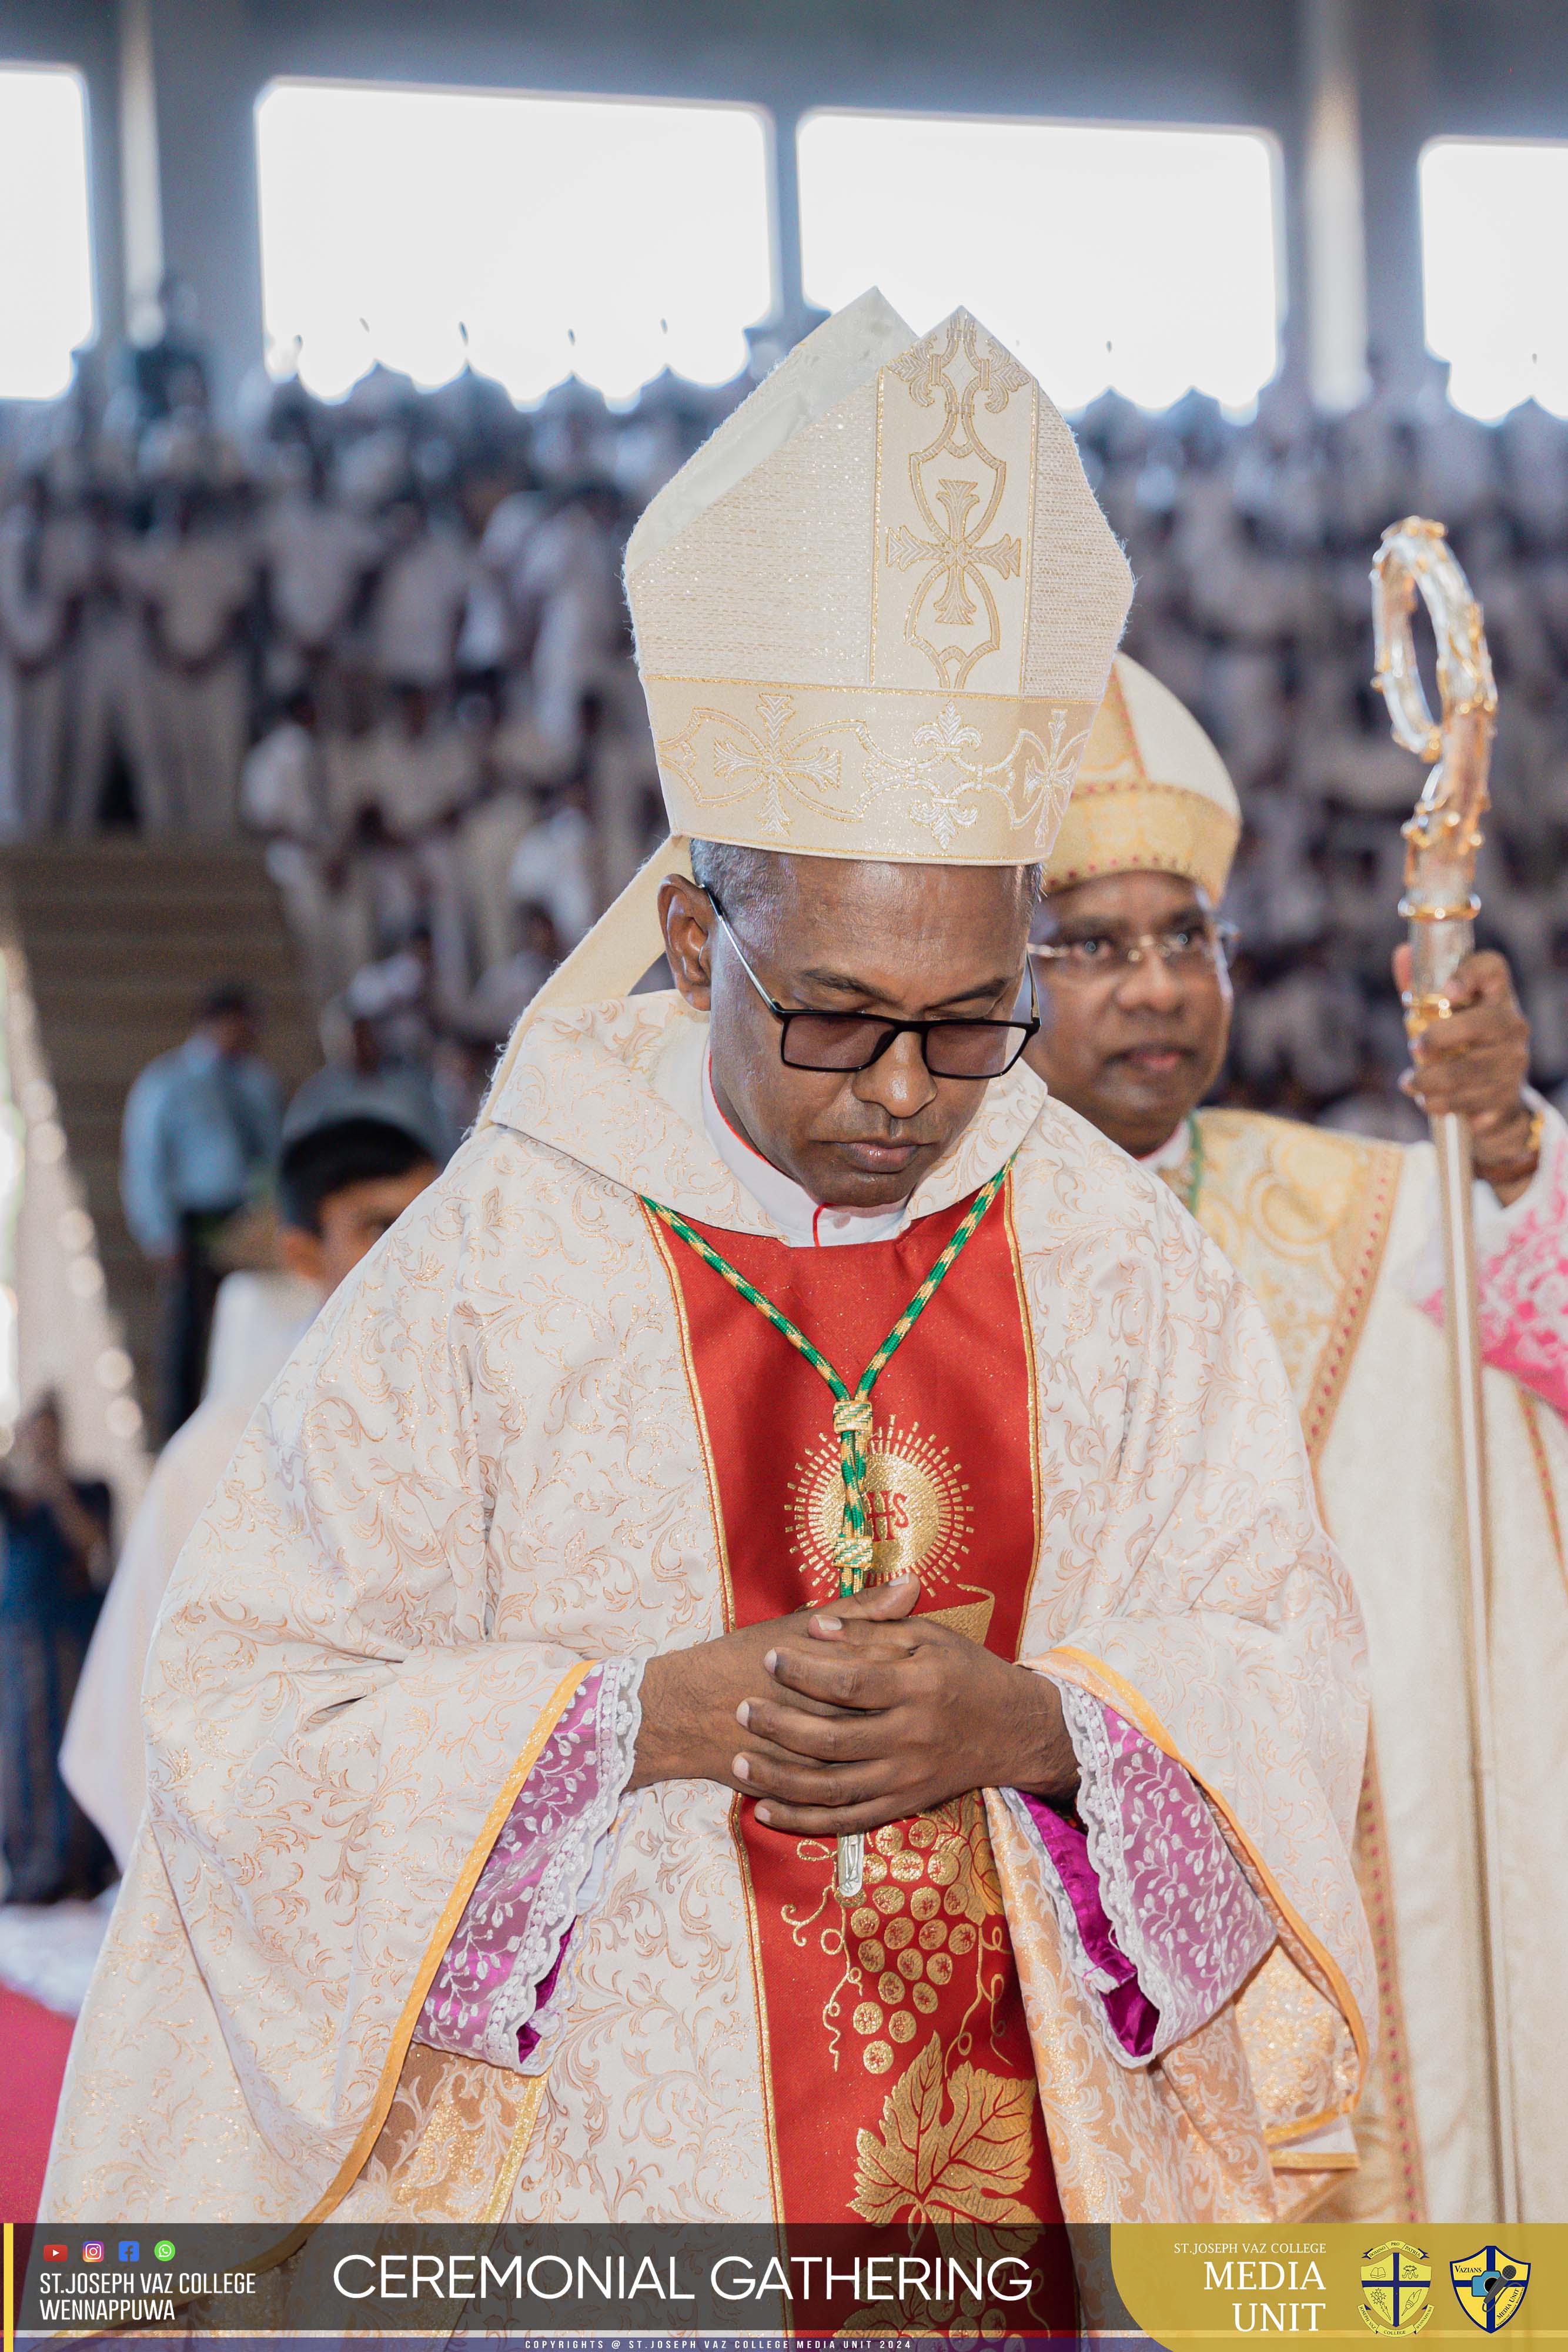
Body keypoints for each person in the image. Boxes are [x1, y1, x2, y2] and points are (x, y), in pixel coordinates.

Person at [45, 295, 1370, 2243]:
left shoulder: (1116, 1264)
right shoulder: (494, 1267)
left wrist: (1035, 1725)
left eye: (973, 1020)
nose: (904, 1098)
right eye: (833, 1017)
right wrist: (624, 1723)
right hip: (623, 2213)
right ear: (687, 936)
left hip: (1038, 2216)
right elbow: (246, 1721)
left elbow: (1289, 1668)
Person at [1025, 652, 1568, 2223]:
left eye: (1185, 937)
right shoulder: (932, 1237)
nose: (1153, 986)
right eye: (1097, 945)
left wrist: (1515, 1147)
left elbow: (1538, 1339)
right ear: (1007, 975)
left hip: (1355, 1891)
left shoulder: (1360, 1210)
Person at [62, 1097, 444, 1870]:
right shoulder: (224, 1454)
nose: (421, 1249)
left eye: (434, 1216)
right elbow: (141, 1717)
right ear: (305, 1257)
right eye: (379, 1228)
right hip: (274, 1873)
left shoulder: (479, 1417)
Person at [120, 985, 283, 1441]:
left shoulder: (256, 1083)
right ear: (217, 1023)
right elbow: (146, 1160)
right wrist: (159, 1233)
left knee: (252, 1318)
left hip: (246, 1219)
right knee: (190, 1334)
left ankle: (243, 1421)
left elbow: (270, 1152)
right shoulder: (168, 1081)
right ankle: (181, 1437)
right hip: (194, 1220)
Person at [0, 1395, 112, 1903]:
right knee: (22, 1754)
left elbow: (95, 1547)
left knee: (74, 1745)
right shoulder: (12, 1496)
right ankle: (31, 1866)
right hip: (20, 1642)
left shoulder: (88, 1490)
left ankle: (77, 1865)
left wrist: (55, 1490)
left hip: (72, 1636)